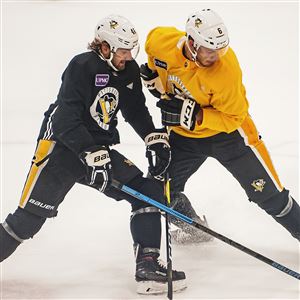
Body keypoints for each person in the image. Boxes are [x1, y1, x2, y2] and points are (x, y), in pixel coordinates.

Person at [0, 15, 187, 295]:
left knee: (147, 191)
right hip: (60, 151)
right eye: (122, 50)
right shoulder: (81, 66)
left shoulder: (128, 70)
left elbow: (134, 109)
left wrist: (153, 137)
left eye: (130, 50)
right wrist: (89, 153)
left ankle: (147, 265)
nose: (127, 56)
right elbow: (65, 119)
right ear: (104, 47)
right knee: (27, 221)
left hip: (98, 151)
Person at [140, 8, 300, 243]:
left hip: (230, 137)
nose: (215, 56)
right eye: (209, 50)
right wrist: (154, 78)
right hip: (184, 138)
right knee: (158, 192)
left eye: (220, 49)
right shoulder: (160, 41)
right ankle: (196, 232)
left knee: (269, 195)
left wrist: (197, 116)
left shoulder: (226, 69)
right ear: (192, 43)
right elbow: (153, 59)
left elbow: (234, 117)